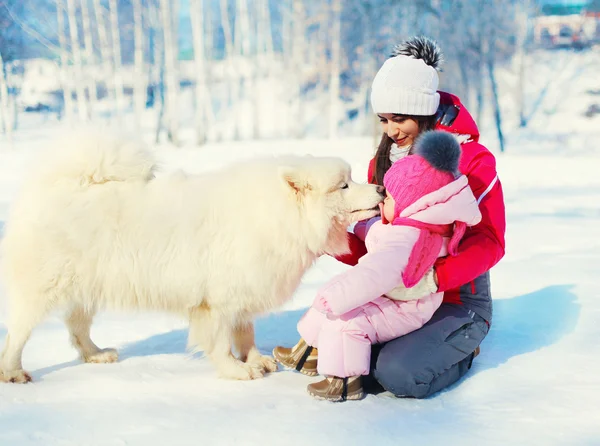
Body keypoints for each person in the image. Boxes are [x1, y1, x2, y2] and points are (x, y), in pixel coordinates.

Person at [273, 36, 506, 399]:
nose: (390, 130)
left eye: (400, 118)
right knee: (350, 346)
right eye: (383, 119)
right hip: (396, 297)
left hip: (457, 299)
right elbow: (377, 247)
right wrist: (326, 238)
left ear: (426, 111)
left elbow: (491, 241)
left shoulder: (471, 160)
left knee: (397, 374)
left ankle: (462, 349)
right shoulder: (383, 162)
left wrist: (432, 278)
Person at [274, 131, 482, 401]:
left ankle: (344, 382)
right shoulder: (406, 225)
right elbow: (377, 233)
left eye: (390, 198)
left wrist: (335, 295)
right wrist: (362, 225)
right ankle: (307, 354)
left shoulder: (406, 239)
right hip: (392, 296)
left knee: (346, 323)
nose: (383, 200)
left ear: (411, 205)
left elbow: (374, 275)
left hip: (405, 307)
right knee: (325, 311)